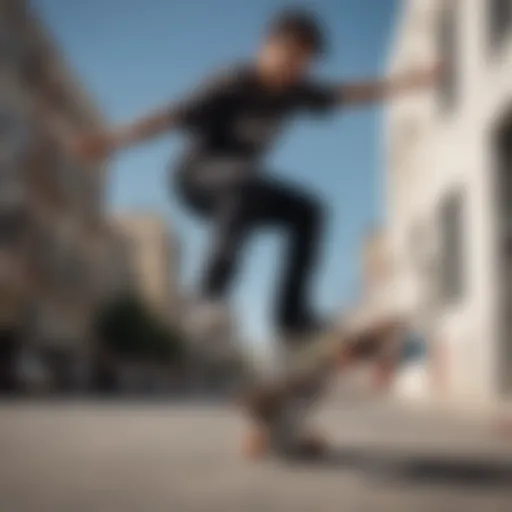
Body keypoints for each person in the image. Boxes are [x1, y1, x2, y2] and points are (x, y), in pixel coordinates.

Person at [73, 9, 440, 345]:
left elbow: (350, 93)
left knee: (310, 211)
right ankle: (209, 297)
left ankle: (291, 317)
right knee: (242, 181)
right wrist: (112, 140)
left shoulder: (295, 93)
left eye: (303, 64)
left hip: (241, 193)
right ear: (266, 47)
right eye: (289, 57)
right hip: (194, 179)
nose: (292, 70)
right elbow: (169, 117)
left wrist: (412, 82)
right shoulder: (231, 82)